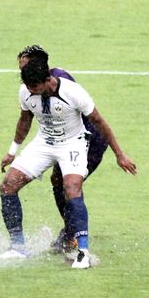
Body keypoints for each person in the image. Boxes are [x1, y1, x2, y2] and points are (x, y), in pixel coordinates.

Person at [0, 56, 137, 268]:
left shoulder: (73, 92)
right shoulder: (26, 91)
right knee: (8, 185)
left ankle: (83, 252)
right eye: (27, 86)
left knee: (71, 187)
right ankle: (17, 247)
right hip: (44, 142)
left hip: (72, 143)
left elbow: (100, 122)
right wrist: (12, 152)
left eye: (34, 86)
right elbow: (25, 120)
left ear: (46, 80)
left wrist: (120, 155)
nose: (30, 91)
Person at [16, 45, 110, 257]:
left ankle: (74, 236)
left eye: (24, 66)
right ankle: (70, 232)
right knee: (59, 181)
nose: (21, 73)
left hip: (89, 139)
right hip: (65, 139)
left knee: (70, 183)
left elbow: (82, 115)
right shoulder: (34, 86)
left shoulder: (61, 82)